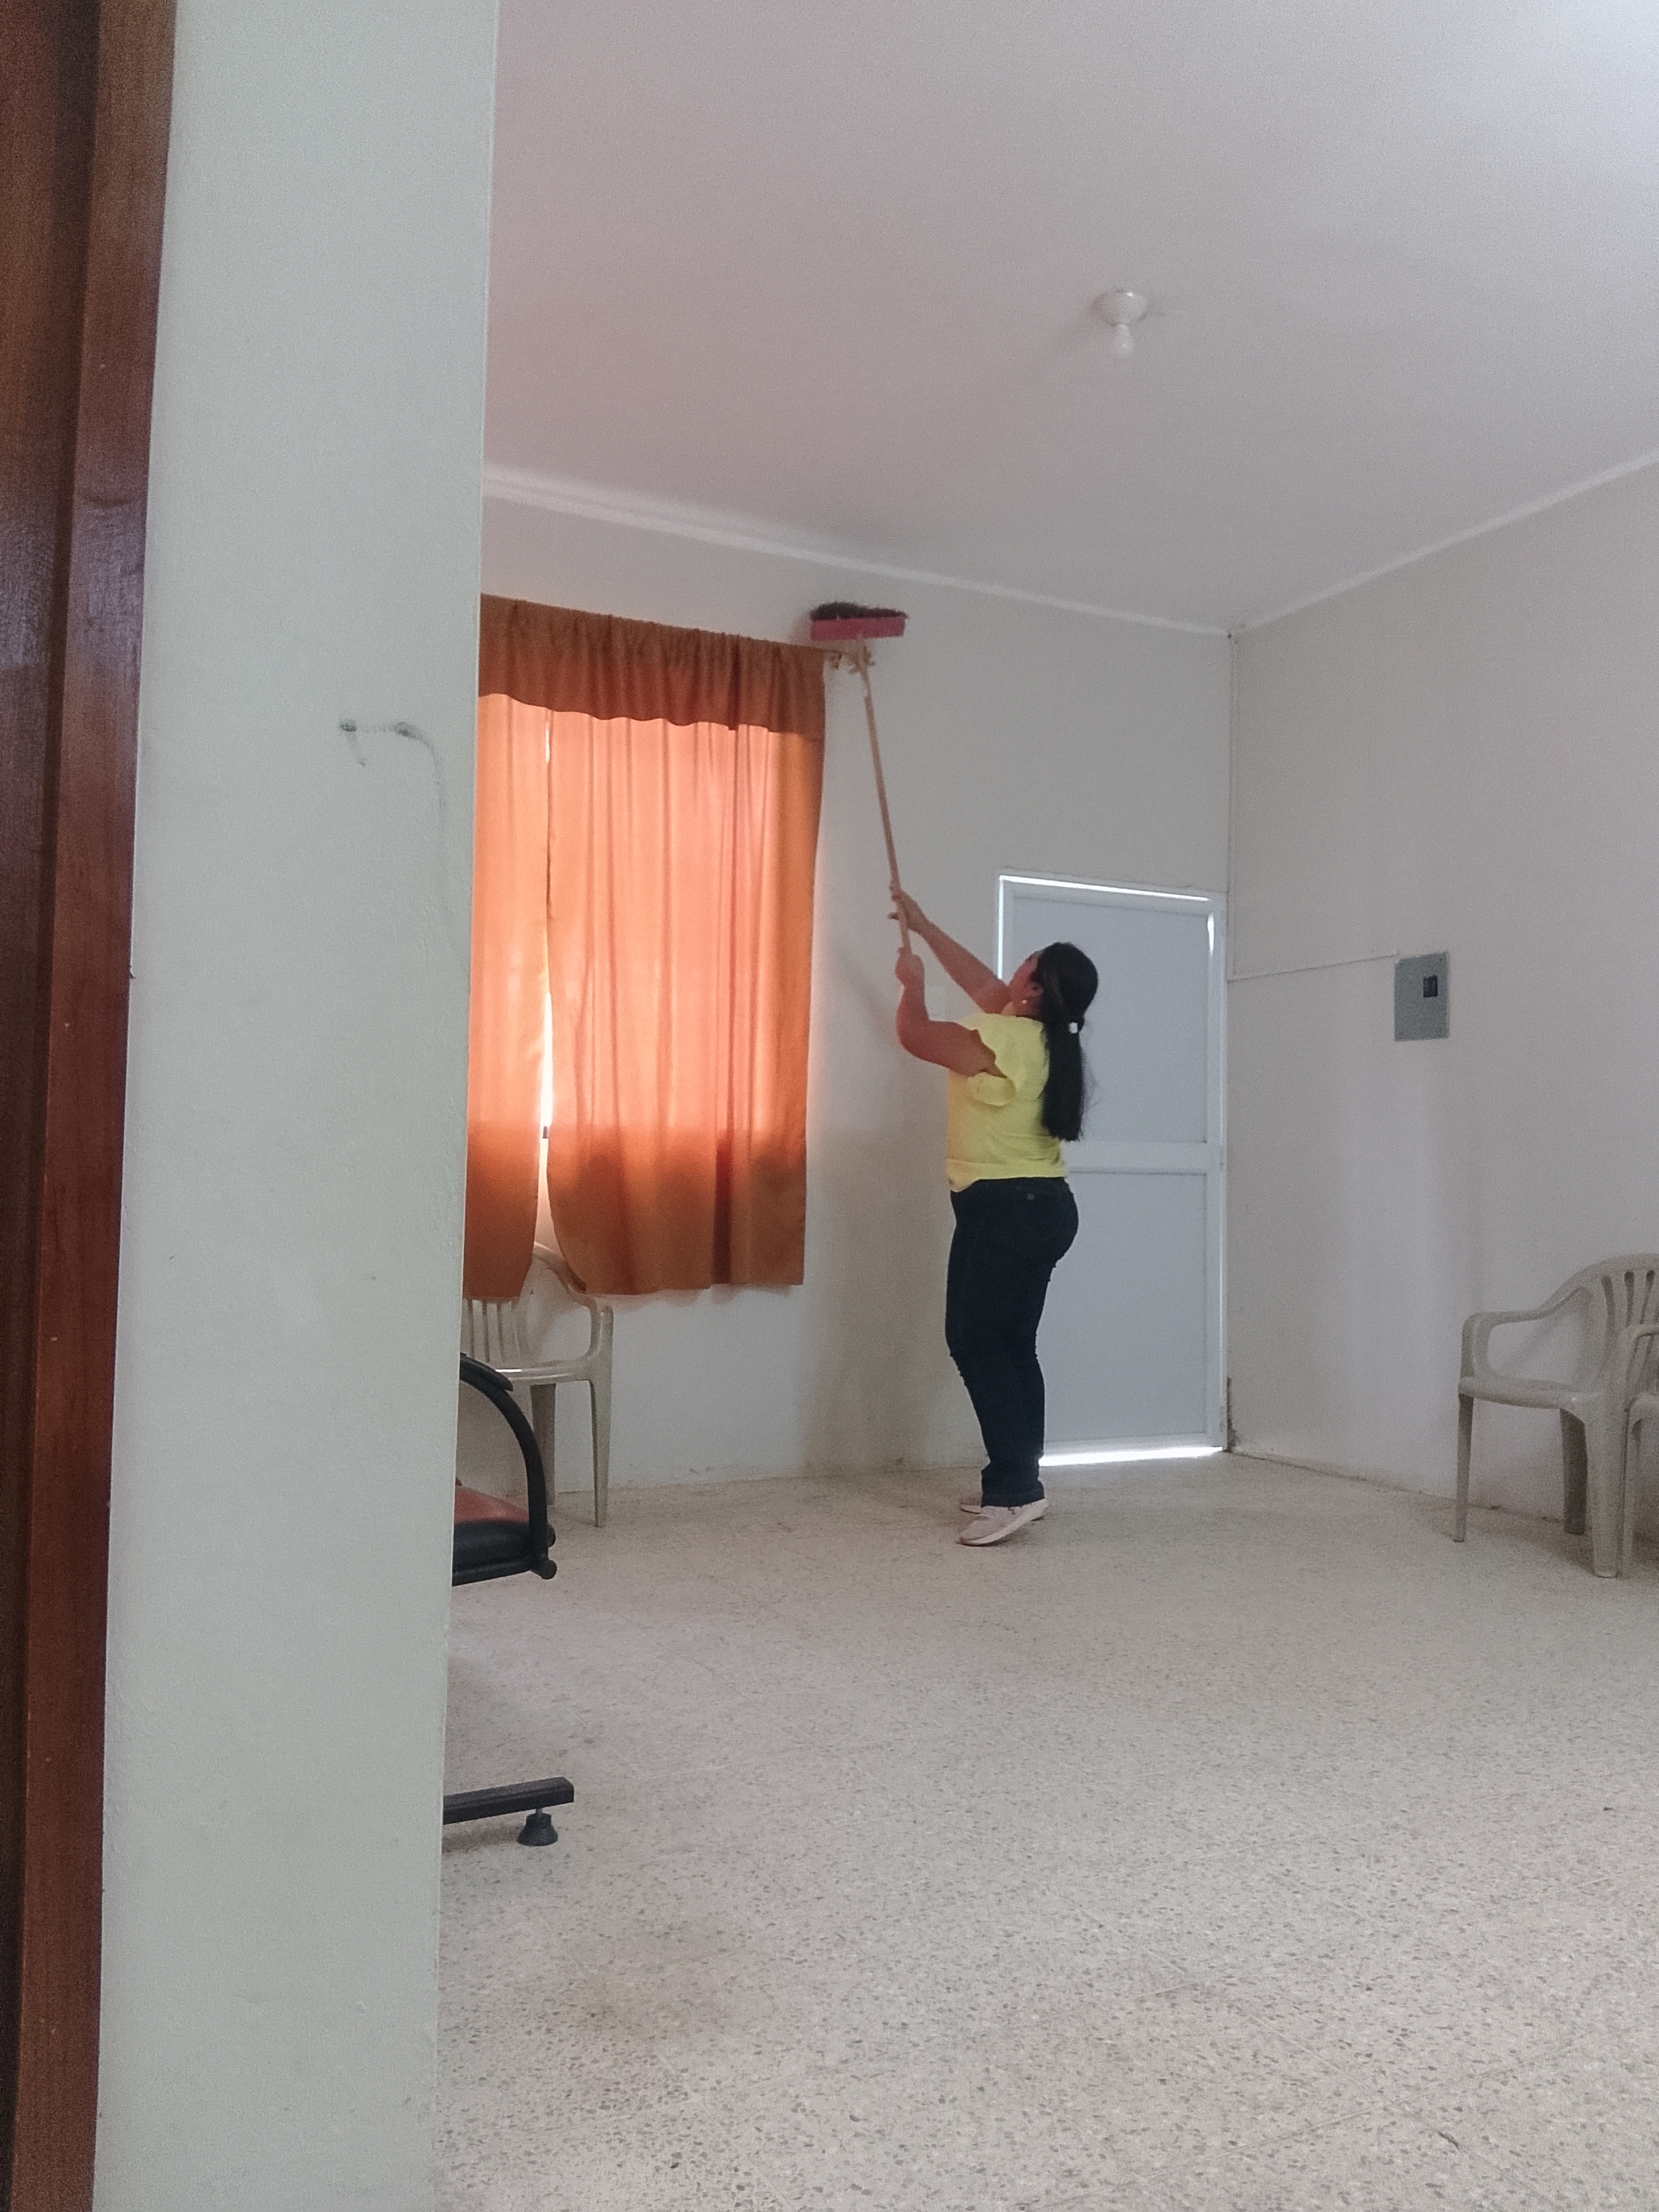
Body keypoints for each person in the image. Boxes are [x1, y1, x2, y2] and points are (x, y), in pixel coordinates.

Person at [891, 891, 1099, 1547]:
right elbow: (983, 982)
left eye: (1025, 963)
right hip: (1045, 1208)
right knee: (1011, 1347)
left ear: (1033, 989)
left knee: (976, 1343)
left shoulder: (999, 1039)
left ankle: (1014, 1491)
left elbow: (916, 1035)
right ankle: (1019, 1480)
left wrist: (912, 984)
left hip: (1004, 1211)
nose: (1011, 969)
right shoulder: (1041, 1037)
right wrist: (925, 927)